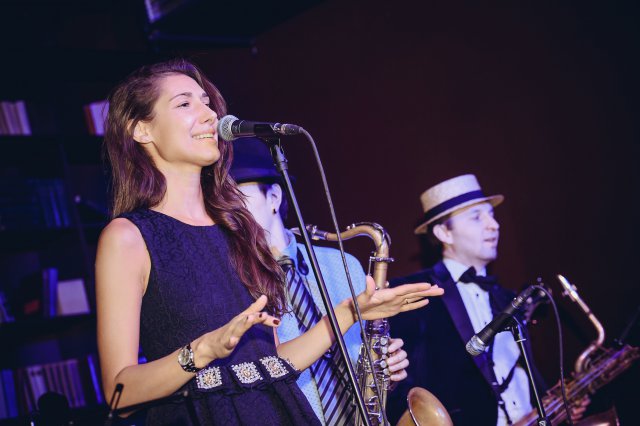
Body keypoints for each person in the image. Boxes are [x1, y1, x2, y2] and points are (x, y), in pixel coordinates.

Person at [95, 58, 443, 425]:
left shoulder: (240, 230)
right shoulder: (128, 238)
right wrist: (203, 350)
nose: (209, 115)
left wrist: (349, 313)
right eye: (184, 103)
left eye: (207, 103)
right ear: (141, 130)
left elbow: (273, 363)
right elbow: (120, 394)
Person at [230, 137, 412, 425]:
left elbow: (363, 357)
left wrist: (386, 370)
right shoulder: (231, 280)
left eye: (237, 197)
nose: (228, 211)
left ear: (274, 197)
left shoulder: (344, 264)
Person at [387, 174, 547, 426]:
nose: (494, 225)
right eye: (476, 217)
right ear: (444, 232)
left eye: (491, 215)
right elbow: (398, 386)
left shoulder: (506, 297)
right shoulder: (413, 292)